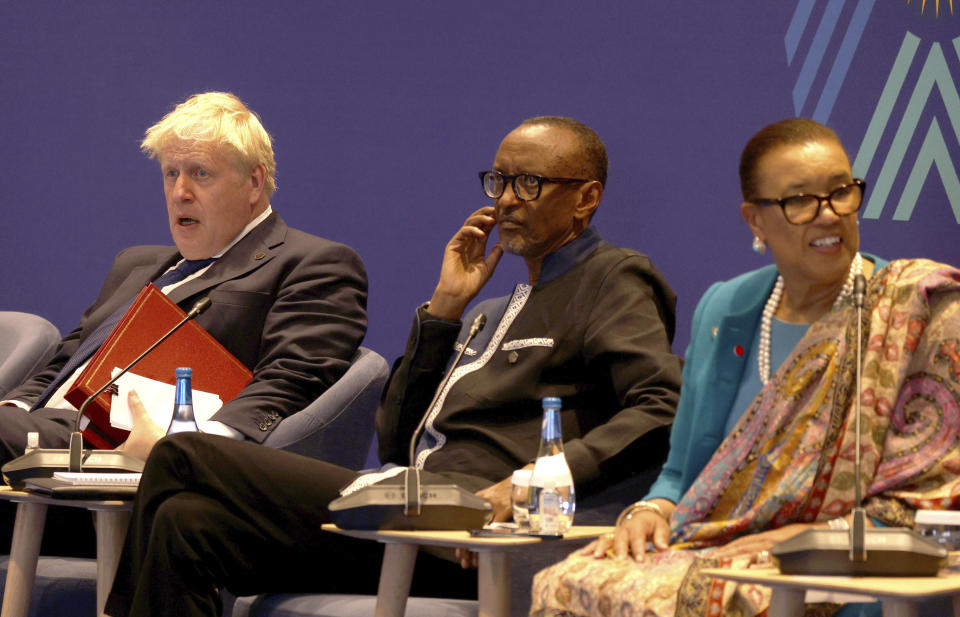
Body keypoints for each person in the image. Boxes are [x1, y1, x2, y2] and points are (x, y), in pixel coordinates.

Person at [103, 116, 682, 617]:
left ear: (586, 197)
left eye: (530, 183)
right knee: (186, 522)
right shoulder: (488, 311)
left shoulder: (613, 278)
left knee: (186, 453)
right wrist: (443, 312)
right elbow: (396, 439)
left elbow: (661, 406)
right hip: (411, 508)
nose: (505, 199)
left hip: (478, 531)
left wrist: (535, 482)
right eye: (499, 180)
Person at [530, 118, 960, 617]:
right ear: (755, 220)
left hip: (858, 563)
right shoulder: (726, 309)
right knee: (567, 582)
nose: (828, 216)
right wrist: (652, 510)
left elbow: (940, 488)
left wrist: (826, 535)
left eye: (841, 192)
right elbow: (681, 475)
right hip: (725, 549)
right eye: (798, 200)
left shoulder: (916, 309)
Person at [0, 91, 368, 463]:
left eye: (200, 174)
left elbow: (290, 381)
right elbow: (66, 361)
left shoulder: (313, 265)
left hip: (127, 446)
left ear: (254, 183)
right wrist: (16, 406)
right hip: (45, 433)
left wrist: (179, 448)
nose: (179, 193)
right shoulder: (135, 265)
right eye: (171, 174)